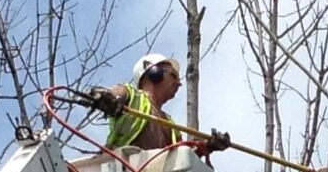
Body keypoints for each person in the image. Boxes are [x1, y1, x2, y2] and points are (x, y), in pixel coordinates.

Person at [90, 52, 229, 159]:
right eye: (173, 75)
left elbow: (182, 158)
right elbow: (116, 92)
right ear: (154, 73)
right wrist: (104, 96)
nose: (179, 84)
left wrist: (207, 146)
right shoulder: (133, 97)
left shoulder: (170, 125)